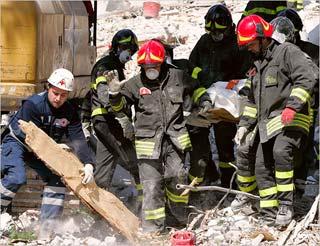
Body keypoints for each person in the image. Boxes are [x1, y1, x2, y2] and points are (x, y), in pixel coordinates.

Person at [108, 40, 212, 235]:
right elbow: (119, 108)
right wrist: (114, 94)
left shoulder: (178, 77)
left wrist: (204, 100)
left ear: (162, 63)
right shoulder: (135, 84)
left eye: (154, 66)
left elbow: (196, 88)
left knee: (177, 177)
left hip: (175, 139)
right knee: (152, 185)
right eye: (146, 67)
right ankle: (153, 228)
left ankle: (178, 215)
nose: (150, 70)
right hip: (148, 143)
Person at [236, 15, 317, 226]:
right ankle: (269, 213)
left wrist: (292, 106)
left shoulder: (287, 51)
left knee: (281, 152)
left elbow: (307, 77)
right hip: (269, 124)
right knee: (262, 167)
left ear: (263, 38)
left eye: (251, 44)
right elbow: (253, 101)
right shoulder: (258, 64)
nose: (249, 48)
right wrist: (244, 126)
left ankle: (285, 206)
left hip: (293, 119)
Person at [0, 68, 95, 235]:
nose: (58, 99)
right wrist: (54, 148)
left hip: (42, 149)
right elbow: (33, 135)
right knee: (17, 176)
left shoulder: (70, 112)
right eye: (55, 93)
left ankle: (47, 228)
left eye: (63, 95)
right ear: (48, 87)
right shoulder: (33, 105)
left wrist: (88, 164)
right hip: (18, 142)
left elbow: (78, 138)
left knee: (57, 180)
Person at [189, 4, 252, 188]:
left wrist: (228, 87)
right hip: (203, 99)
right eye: (211, 31)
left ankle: (227, 183)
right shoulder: (204, 41)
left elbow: (244, 74)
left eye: (219, 31)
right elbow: (191, 66)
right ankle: (208, 174)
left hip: (226, 103)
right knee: (197, 140)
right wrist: (199, 81)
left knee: (225, 147)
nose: (215, 35)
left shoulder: (237, 45)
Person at [82, 29, 142, 203]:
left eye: (131, 50)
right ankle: (144, 204)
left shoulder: (114, 66)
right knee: (134, 161)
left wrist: (86, 118)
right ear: (115, 47)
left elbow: (89, 95)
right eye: (126, 49)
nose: (129, 54)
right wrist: (122, 118)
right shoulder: (106, 66)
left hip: (103, 123)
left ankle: (97, 209)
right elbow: (102, 93)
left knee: (104, 169)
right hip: (109, 121)